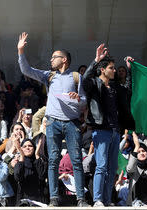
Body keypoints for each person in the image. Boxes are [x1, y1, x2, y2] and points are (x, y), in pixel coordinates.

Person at [17, 32, 89, 207]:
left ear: (64, 60)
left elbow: (85, 101)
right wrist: (20, 52)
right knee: (53, 159)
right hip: (52, 122)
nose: (51, 60)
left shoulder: (76, 77)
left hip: (72, 123)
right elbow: (27, 70)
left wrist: (78, 98)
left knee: (76, 160)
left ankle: (81, 199)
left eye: (54, 57)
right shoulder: (49, 76)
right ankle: (54, 198)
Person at [82, 43, 134, 206]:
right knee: (101, 166)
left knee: (112, 168)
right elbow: (84, 81)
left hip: (115, 131)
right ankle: (97, 199)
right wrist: (96, 60)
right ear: (103, 69)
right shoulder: (94, 84)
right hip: (101, 131)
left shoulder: (116, 87)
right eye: (111, 68)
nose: (114, 70)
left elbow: (129, 90)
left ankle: (106, 199)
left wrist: (130, 69)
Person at [14, 137, 48, 205]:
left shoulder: (41, 160)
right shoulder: (19, 161)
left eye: (30, 146)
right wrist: (22, 156)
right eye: (24, 146)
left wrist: (37, 154)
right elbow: (17, 177)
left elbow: (42, 175)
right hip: (24, 200)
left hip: (40, 199)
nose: (27, 148)